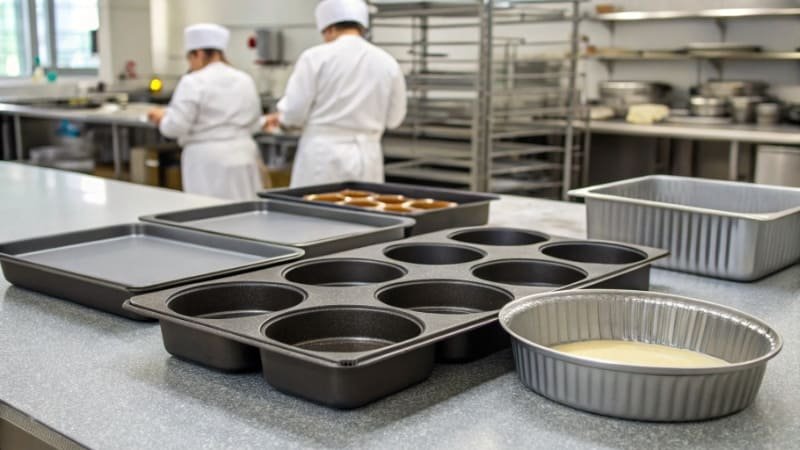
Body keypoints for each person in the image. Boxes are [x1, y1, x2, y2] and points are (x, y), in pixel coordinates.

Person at [264, 0, 407, 188]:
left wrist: (280, 120)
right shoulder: (388, 63)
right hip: (368, 156)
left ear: (330, 29)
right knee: (365, 213)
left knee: (317, 213)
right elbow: (394, 120)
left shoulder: (314, 57)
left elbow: (294, 114)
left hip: (323, 157)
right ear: (361, 28)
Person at [148, 24, 264, 200]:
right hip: (244, 154)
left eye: (190, 58)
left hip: (207, 161)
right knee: (246, 214)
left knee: (209, 216)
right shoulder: (244, 79)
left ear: (199, 53)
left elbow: (175, 127)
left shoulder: (193, 82)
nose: (191, 65)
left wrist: (162, 118)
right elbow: (255, 122)